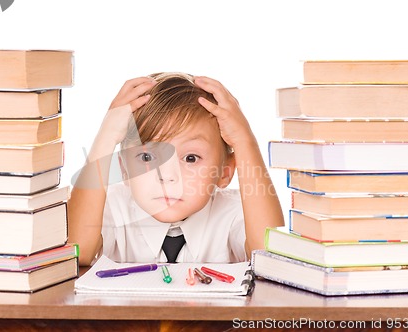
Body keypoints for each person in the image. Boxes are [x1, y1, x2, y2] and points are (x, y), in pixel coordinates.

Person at [68, 72, 284, 266]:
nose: (168, 177)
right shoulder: (109, 208)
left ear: (225, 172)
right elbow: (79, 253)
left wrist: (244, 141)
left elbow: (270, 258)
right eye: (147, 157)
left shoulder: (237, 212)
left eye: (191, 158)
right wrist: (105, 138)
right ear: (125, 170)